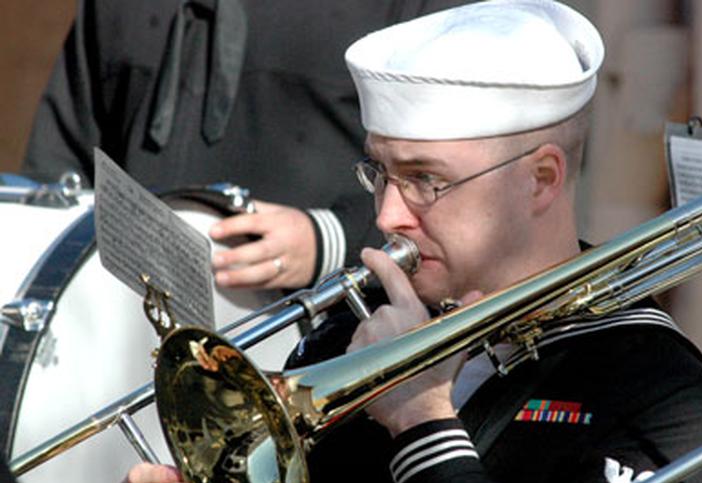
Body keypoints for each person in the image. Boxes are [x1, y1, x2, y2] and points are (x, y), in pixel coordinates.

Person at [107, 1, 702, 483]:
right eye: (379, 173)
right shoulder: (349, 336)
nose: (386, 215)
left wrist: (423, 422)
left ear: (542, 178)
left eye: (426, 180)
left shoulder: (664, 397)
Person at [22, 0, 465, 290]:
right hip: (119, 334)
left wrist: (331, 240)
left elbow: (475, 185)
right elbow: (60, 166)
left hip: (323, 344)